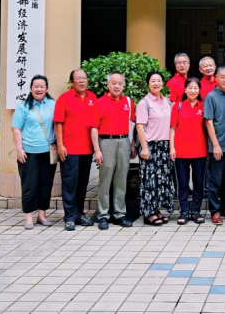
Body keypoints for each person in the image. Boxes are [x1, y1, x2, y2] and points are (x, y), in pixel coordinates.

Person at [89, 72, 135, 229]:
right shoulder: (99, 102)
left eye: (120, 83)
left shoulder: (128, 102)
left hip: (124, 142)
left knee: (121, 180)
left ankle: (119, 214)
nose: (117, 86)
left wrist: (132, 144)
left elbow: (132, 125)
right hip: (106, 142)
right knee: (105, 180)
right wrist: (97, 150)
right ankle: (103, 215)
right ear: (108, 84)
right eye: (114, 83)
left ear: (124, 85)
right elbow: (94, 128)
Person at [54, 69, 98, 231]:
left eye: (84, 78)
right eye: (78, 78)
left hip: (87, 149)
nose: (82, 81)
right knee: (69, 184)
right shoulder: (64, 98)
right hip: (69, 149)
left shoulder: (92, 97)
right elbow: (58, 123)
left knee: (82, 184)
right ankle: (70, 217)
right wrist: (60, 145)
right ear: (72, 82)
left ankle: (79, 214)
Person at [11, 74, 57, 230]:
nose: (39, 89)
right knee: (29, 185)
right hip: (29, 153)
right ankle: (28, 217)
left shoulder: (52, 104)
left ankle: (42, 215)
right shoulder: (23, 106)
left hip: (48, 152)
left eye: (42, 86)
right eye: (36, 86)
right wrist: (19, 149)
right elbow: (16, 129)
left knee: (46, 184)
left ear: (46, 89)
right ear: (31, 88)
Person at [136, 71, 174, 226]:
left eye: (159, 80)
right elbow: (140, 127)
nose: (156, 83)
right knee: (149, 181)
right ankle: (148, 213)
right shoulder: (144, 103)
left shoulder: (167, 102)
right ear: (148, 84)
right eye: (153, 81)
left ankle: (156, 209)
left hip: (164, 146)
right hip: (150, 146)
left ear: (163, 83)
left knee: (161, 181)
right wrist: (144, 148)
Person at [170, 77, 208, 225]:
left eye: (195, 88)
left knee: (199, 183)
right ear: (185, 90)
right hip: (181, 151)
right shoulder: (178, 106)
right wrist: (172, 147)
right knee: (183, 183)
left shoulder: (203, 106)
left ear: (199, 90)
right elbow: (173, 128)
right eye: (190, 88)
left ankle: (196, 211)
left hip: (200, 151)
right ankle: (184, 211)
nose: (193, 91)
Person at [204, 67, 225, 225]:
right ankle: (214, 211)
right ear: (216, 78)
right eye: (223, 77)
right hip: (218, 147)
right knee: (215, 181)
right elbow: (209, 122)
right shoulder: (211, 97)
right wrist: (215, 145)